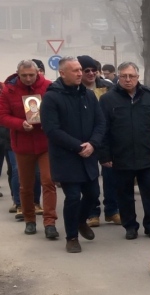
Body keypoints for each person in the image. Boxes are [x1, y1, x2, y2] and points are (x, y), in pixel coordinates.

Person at [41, 57, 105, 253]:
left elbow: (100, 123)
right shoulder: (52, 98)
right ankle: (71, 237)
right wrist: (78, 146)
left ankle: (80, 221)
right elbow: (52, 130)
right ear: (62, 73)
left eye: (80, 70)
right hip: (67, 157)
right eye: (76, 71)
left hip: (89, 155)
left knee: (93, 194)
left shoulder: (88, 95)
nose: (80, 74)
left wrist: (93, 144)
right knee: (73, 196)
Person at [98, 62, 150, 241]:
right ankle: (130, 226)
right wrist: (104, 155)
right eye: (124, 76)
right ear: (118, 76)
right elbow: (103, 129)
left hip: (148, 154)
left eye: (131, 76)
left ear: (137, 76)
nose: (128, 80)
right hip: (121, 155)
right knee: (124, 194)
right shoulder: (108, 100)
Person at [0, 60, 58, 239]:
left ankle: (49, 222)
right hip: (22, 144)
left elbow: (57, 109)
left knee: (48, 181)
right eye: (24, 75)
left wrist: (48, 121)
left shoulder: (49, 87)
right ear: (18, 74)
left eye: (31, 75)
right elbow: (2, 116)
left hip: (45, 143)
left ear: (37, 73)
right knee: (26, 185)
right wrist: (19, 124)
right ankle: (29, 220)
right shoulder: (8, 90)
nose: (28, 78)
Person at [79, 55, 119, 228]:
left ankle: (112, 210)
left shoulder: (108, 87)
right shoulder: (75, 89)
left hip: (107, 138)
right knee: (91, 178)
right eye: (86, 70)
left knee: (111, 175)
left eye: (94, 70)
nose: (91, 73)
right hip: (86, 139)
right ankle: (92, 212)